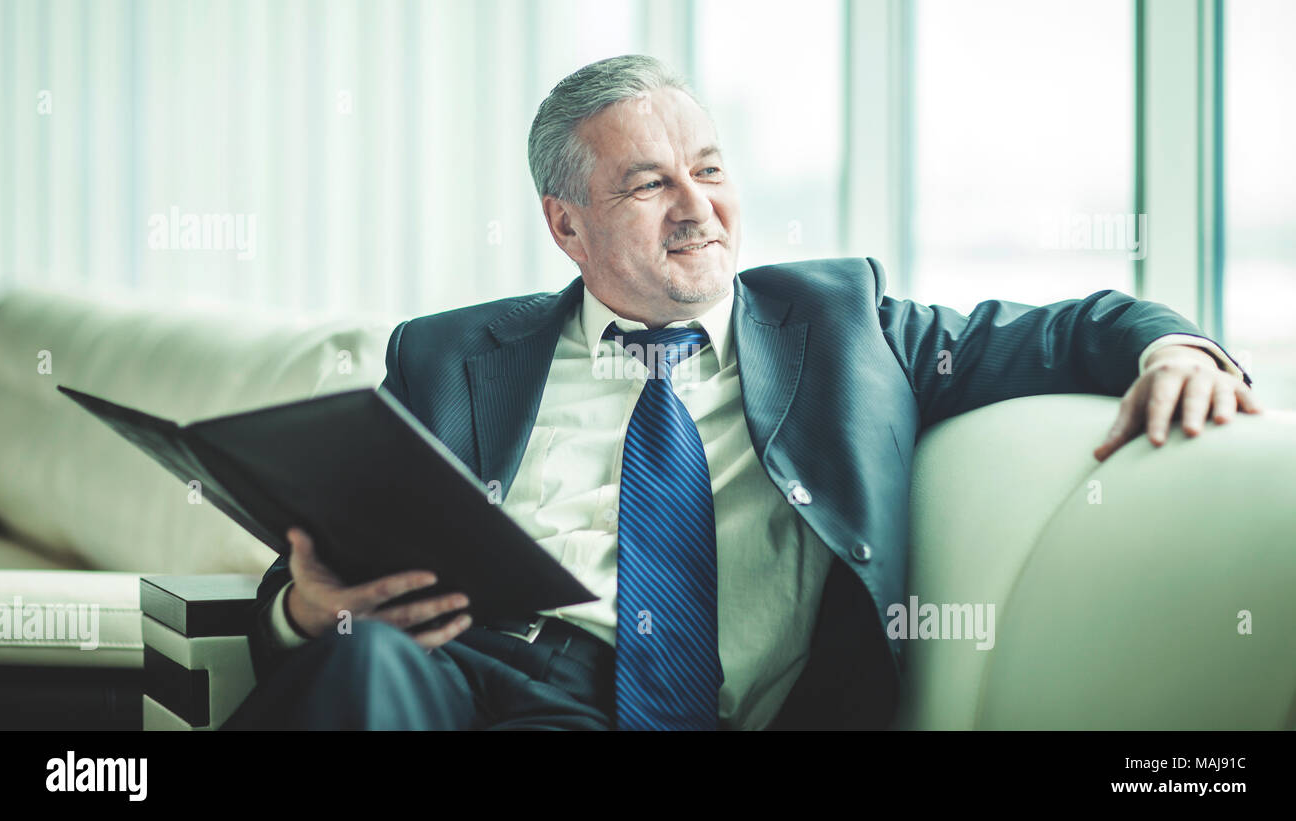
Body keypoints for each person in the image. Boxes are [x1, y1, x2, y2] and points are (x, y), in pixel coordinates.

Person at [224, 54, 1259, 731]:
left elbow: (1071, 328)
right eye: (646, 183)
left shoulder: (844, 324)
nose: (696, 208)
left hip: (658, 708)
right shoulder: (445, 353)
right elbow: (347, 553)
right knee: (361, 679)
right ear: (565, 226)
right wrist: (303, 613)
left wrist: (1176, 351)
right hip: (456, 674)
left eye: (709, 169)